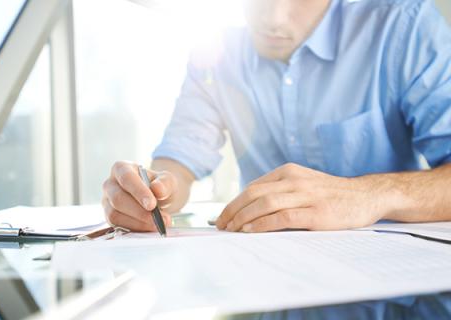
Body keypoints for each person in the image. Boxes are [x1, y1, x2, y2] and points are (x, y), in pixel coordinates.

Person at [102, 0, 451, 233]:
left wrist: (367, 195)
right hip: (263, 282)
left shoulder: (404, 26)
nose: (273, 17)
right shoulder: (215, 53)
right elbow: (177, 164)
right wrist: (151, 191)